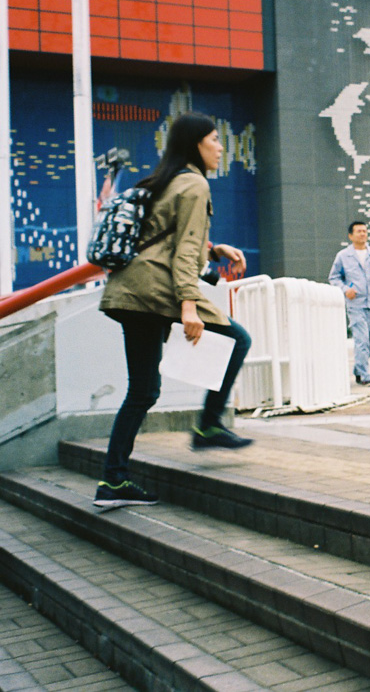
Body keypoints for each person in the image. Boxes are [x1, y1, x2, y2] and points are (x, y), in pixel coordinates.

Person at [95, 113, 253, 509]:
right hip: (154, 291)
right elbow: (182, 252)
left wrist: (213, 249)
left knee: (143, 390)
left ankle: (113, 482)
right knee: (238, 339)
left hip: (129, 290)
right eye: (215, 139)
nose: (221, 147)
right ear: (196, 144)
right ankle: (208, 424)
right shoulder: (195, 183)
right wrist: (188, 307)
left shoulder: (168, 179)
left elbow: (166, 236)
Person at [328, 221, 370, 387]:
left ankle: (358, 369)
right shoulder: (343, 256)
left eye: (364, 231)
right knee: (361, 340)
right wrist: (345, 289)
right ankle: (365, 375)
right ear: (351, 236)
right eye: (359, 231)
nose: (363, 234)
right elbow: (333, 277)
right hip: (355, 303)